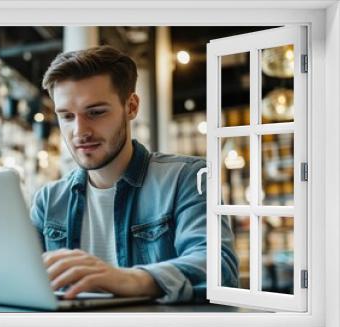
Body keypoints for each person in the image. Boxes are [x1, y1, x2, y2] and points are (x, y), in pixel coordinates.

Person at [30, 45, 238, 304]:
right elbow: (24, 284)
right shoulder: (48, 201)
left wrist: (127, 279)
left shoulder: (188, 178)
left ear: (131, 107)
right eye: (67, 116)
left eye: (95, 112)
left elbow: (220, 269)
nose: (79, 131)